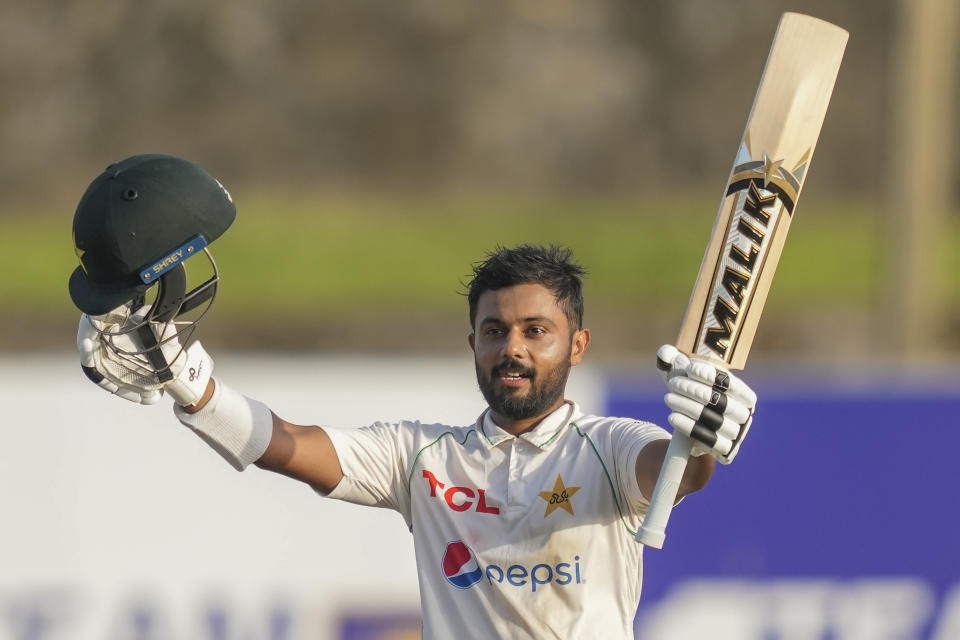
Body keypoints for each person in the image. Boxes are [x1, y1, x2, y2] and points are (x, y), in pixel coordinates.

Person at [71, 156, 757, 640]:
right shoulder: (423, 458)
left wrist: (704, 436)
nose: (512, 348)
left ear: (576, 347)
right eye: (495, 331)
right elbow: (289, 447)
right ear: (473, 346)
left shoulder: (607, 449)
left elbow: (676, 470)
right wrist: (194, 385)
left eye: (536, 332)